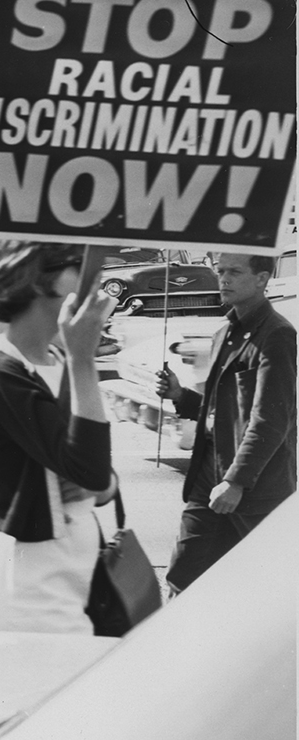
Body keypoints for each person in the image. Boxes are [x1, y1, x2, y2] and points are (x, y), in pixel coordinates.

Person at [0, 240, 116, 633]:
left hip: (74, 571)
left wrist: (78, 358)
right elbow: (92, 472)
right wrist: (85, 359)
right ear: (36, 279)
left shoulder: (58, 360)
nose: (93, 276)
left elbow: (98, 481)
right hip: (28, 584)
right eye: (78, 265)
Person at [157, 251, 296, 592]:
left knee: (270, 587)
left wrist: (236, 481)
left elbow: (270, 419)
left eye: (234, 272)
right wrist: (180, 396)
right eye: (220, 271)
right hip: (209, 476)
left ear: (262, 278)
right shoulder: (224, 333)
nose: (224, 279)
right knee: (182, 574)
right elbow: (222, 410)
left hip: (255, 486)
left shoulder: (276, 335)